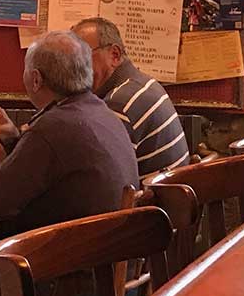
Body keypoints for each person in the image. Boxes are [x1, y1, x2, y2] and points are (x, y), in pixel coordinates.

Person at [0, 31, 137, 231]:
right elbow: (42, 172)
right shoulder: (101, 111)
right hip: (108, 250)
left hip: (69, 257)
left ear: (36, 80)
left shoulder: (52, 128)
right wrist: (13, 138)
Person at [72, 17, 190, 181]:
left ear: (114, 54)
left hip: (149, 206)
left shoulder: (119, 104)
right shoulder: (143, 83)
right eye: (70, 59)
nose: (74, 67)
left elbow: (101, 179)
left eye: (82, 56)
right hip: (168, 201)